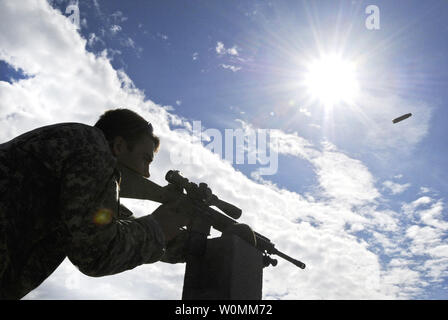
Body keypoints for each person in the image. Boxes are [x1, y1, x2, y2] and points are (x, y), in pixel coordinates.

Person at [0, 108, 191, 299]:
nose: (147, 173)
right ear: (119, 146)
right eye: (145, 159)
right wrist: (157, 228)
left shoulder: (76, 150)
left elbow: (118, 225)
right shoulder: (94, 148)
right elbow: (96, 252)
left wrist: (186, 243)